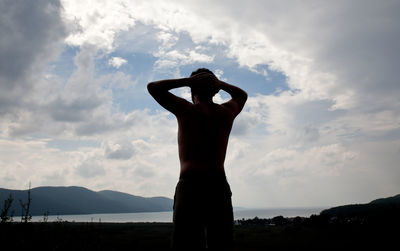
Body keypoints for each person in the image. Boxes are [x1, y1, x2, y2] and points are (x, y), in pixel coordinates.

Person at [147, 68, 247, 250]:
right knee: (222, 244)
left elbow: (153, 87)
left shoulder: (186, 110)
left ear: (192, 90)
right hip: (218, 185)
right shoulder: (226, 112)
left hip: (190, 185)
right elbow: (242, 95)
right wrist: (220, 83)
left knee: (185, 246)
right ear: (216, 91)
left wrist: (187, 81)